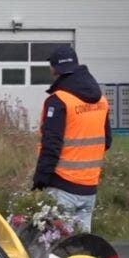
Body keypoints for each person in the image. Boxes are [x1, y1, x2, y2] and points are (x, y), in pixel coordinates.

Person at [31, 44, 112, 234]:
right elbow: (107, 141)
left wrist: (40, 180)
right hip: (90, 187)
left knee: (56, 247)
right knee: (81, 248)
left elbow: (51, 145)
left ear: (54, 69)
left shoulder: (58, 101)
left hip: (62, 187)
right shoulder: (101, 100)